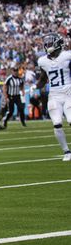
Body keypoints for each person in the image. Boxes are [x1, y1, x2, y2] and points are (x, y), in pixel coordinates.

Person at [36, 33, 71, 161]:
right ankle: (67, 151)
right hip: (54, 95)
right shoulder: (42, 61)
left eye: (50, 43)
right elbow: (43, 78)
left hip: (68, 93)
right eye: (47, 43)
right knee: (57, 123)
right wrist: (36, 87)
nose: (47, 45)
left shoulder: (67, 56)